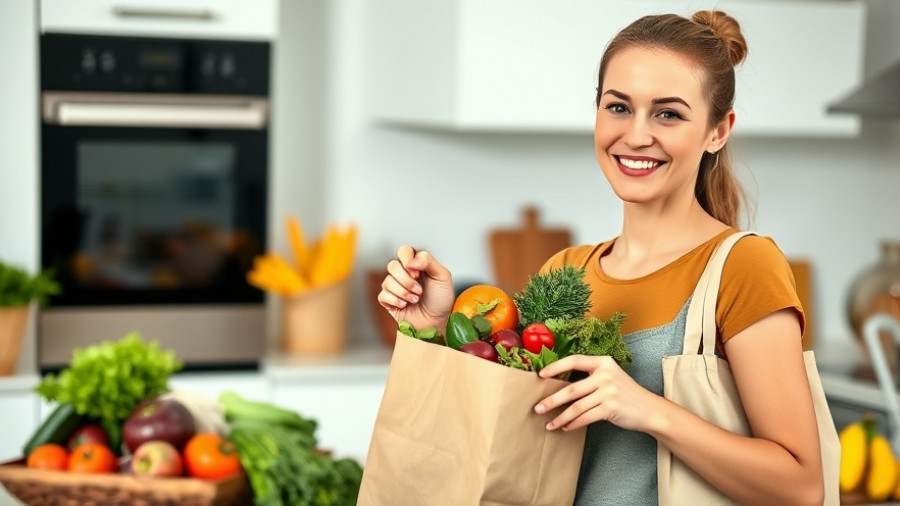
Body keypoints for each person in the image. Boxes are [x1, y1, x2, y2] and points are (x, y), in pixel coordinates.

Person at [377, 10, 824, 505]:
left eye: (668, 113)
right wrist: (436, 330)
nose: (635, 135)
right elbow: (488, 444)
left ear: (718, 131)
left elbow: (800, 487)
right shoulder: (564, 271)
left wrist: (646, 409)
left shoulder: (742, 266)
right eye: (618, 107)